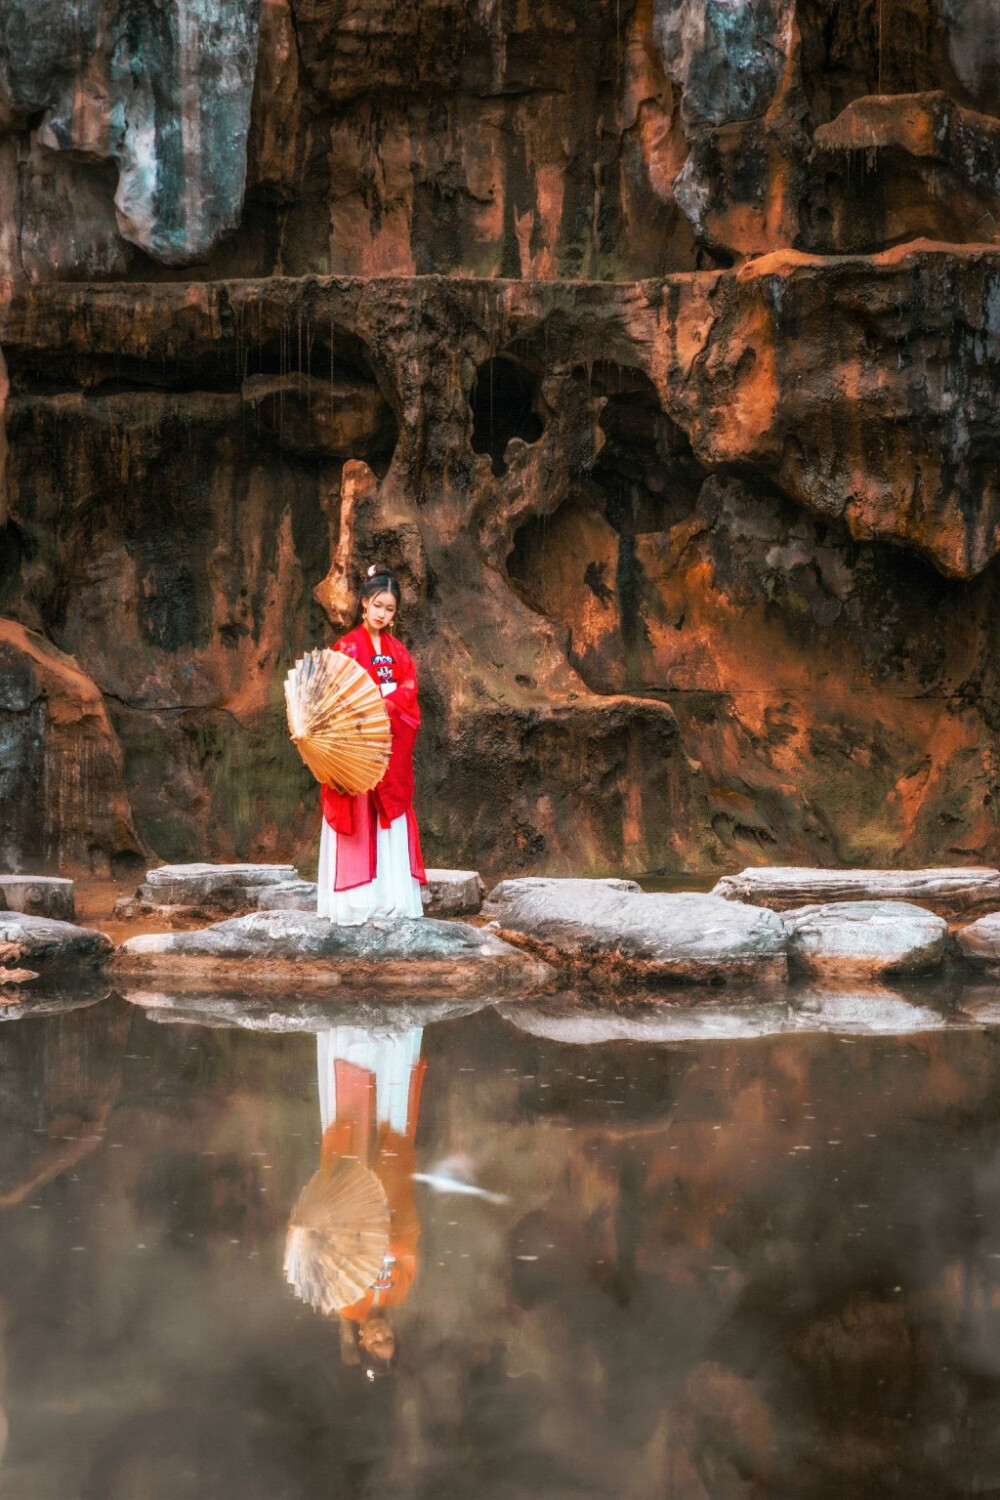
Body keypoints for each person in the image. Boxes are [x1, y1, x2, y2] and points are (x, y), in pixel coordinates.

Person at [317, 566, 427, 923]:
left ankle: (389, 898)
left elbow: (409, 694)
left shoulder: (399, 652)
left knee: (387, 816)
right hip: (356, 752)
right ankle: (354, 903)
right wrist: (369, 706)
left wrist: (388, 705)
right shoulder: (345, 647)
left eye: (390, 609)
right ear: (364, 603)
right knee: (358, 810)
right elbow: (332, 697)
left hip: (387, 749)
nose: (382, 614)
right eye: (377, 605)